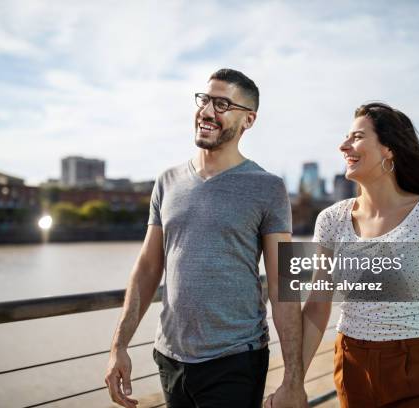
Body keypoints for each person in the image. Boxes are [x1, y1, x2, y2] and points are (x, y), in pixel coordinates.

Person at [104, 68, 308, 408]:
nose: (208, 111)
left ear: (249, 120)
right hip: (169, 359)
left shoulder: (267, 187)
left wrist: (293, 379)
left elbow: (283, 284)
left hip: (235, 360)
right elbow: (147, 268)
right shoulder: (167, 181)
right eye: (205, 100)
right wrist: (119, 346)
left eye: (223, 104)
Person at [301, 102, 419, 407]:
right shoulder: (331, 220)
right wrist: (293, 382)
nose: (343, 145)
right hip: (351, 367)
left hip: (418, 367)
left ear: (388, 149)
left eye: (356, 137)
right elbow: (317, 305)